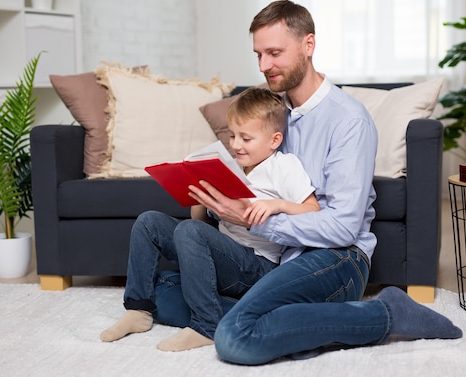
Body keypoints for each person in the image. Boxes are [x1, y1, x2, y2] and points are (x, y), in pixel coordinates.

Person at [185, 0, 463, 365]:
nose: (264, 66)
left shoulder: (348, 120)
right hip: (281, 260)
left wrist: (255, 220)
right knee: (169, 292)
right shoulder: (271, 114)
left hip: (337, 257)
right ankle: (296, 326)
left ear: (308, 46)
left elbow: (343, 227)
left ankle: (387, 313)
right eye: (258, 55)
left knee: (235, 338)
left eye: (274, 53)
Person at [100, 86, 321, 352]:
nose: (236, 145)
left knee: (189, 232)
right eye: (232, 136)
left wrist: (276, 205)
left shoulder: (283, 166)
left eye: (246, 138)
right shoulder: (231, 166)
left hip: (256, 265)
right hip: (223, 255)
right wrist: (198, 197)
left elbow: (314, 211)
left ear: (273, 140)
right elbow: (199, 225)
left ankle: (206, 324)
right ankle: (139, 309)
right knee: (149, 222)